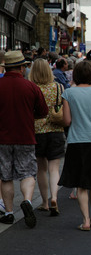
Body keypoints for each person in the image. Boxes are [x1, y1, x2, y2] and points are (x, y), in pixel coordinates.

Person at [58, 61, 91, 231]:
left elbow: (67, 121)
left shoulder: (69, 93)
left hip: (76, 141)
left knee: (81, 184)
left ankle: (85, 220)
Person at [0, 50, 48, 227]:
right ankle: (27, 201)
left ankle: (9, 212)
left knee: (5, 177)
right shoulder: (31, 87)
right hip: (26, 136)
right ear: (21, 67)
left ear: (6, 68)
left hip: (2, 138)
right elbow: (43, 112)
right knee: (27, 173)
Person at [29, 58, 66, 216]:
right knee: (54, 168)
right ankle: (55, 198)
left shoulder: (31, 88)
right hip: (56, 130)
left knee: (41, 169)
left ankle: (44, 202)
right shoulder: (58, 87)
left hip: (36, 131)